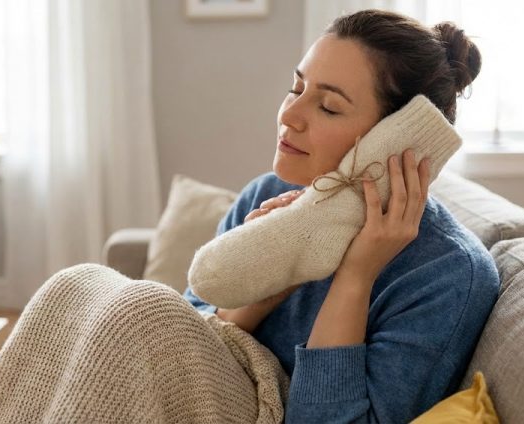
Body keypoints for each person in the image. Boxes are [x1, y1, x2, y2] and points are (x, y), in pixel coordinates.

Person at [183, 9, 499, 423]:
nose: (289, 116)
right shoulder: (266, 195)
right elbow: (183, 344)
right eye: (296, 88)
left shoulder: (447, 275)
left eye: (329, 107)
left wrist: (355, 276)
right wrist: (274, 270)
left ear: (397, 138)